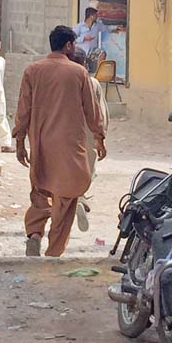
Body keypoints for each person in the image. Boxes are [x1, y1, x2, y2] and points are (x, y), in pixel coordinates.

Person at [13, 25, 106, 257]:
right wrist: (99, 137)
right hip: (69, 148)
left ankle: (34, 233)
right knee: (66, 198)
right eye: (73, 44)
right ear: (68, 45)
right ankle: (54, 251)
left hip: (41, 145)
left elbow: (23, 109)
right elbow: (92, 112)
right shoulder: (78, 73)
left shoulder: (32, 71)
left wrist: (19, 141)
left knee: (40, 191)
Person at [68, 47, 109, 232]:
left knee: (67, 169)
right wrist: (101, 136)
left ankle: (69, 201)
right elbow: (101, 113)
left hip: (66, 133)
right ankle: (80, 197)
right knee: (89, 168)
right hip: (89, 133)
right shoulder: (93, 83)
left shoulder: (63, 80)